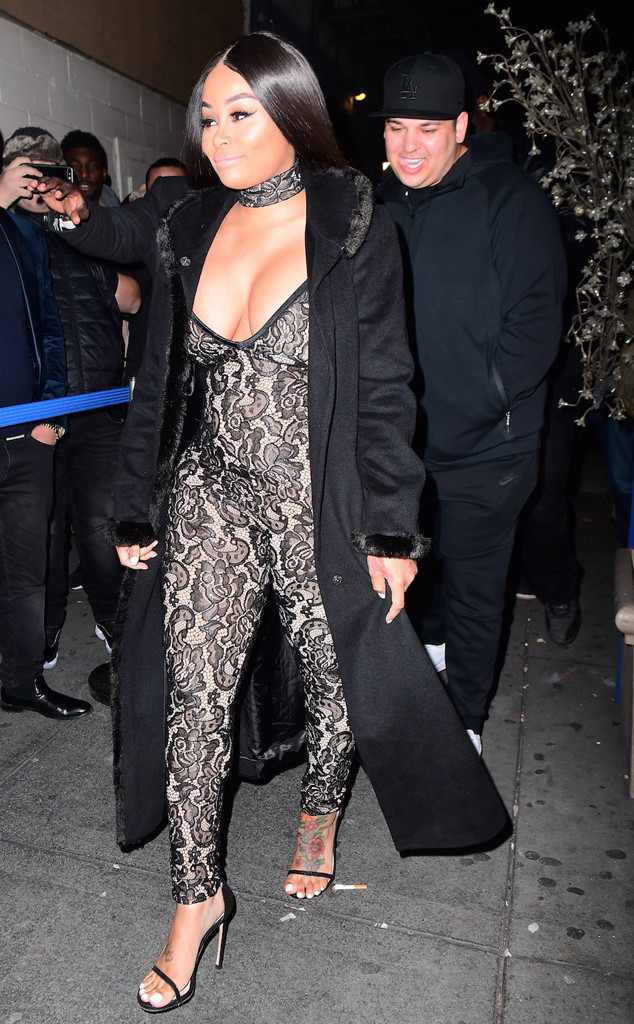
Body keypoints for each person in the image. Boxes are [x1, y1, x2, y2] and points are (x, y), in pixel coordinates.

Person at [40, 33, 509, 1013]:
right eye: (207, 116)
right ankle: (195, 899)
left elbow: (387, 389)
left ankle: (319, 811)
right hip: (210, 493)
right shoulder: (188, 222)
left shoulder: (351, 220)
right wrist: (135, 499)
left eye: (240, 114)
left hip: (316, 498)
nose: (217, 135)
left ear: (293, 113)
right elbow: (158, 380)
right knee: (193, 697)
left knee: (336, 679)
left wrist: (391, 528)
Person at [376, 53, 566, 751]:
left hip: (491, 445)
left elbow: (536, 326)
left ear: (460, 127)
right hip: (402, 446)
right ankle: (430, 670)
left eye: (426, 130)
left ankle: (465, 726)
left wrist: (476, 400)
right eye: (396, 128)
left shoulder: (510, 200)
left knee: (476, 590)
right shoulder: (379, 203)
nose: (409, 146)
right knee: (416, 573)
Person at [3, 126, 140, 670]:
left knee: (102, 529)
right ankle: (44, 632)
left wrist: (85, 231)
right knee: (45, 535)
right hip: (38, 415)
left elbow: (134, 297)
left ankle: (114, 624)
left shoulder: (80, 229)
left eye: (46, 170)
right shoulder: (8, 238)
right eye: (25, 171)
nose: (37, 183)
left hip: (98, 408)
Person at [0, 136, 90, 720]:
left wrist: (52, 415)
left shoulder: (26, 235)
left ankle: (20, 681)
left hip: (27, 436)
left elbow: (51, 330)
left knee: (27, 571)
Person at [61, 129, 119, 206]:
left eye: (93, 168)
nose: (84, 174)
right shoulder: (49, 210)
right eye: (75, 168)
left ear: (104, 173)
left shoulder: (121, 211)